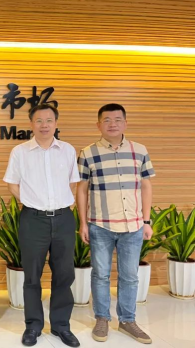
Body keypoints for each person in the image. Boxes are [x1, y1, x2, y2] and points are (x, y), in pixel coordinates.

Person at [3, 103, 80, 347]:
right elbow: (12, 184)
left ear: (56, 123)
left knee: (64, 274)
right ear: (31, 124)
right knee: (32, 276)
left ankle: (61, 326)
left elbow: (73, 183)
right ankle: (33, 326)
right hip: (33, 220)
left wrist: (61, 205)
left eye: (49, 120)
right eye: (39, 120)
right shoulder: (20, 152)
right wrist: (30, 201)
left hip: (63, 219)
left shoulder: (67, 150)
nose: (44, 125)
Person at [76, 103, 154, 344]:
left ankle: (128, 320)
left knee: (130, 276)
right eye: (107, 120)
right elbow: (82, 189)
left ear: (125, 123)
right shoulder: (88, 153)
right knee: (100, 275)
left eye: (118, 119)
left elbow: (146, 186)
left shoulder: (140, 150)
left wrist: (146, 221)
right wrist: (83, 223)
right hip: (100, 225)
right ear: (98, 124)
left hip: (133, 226)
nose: (112, 124)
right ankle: (102, 318)